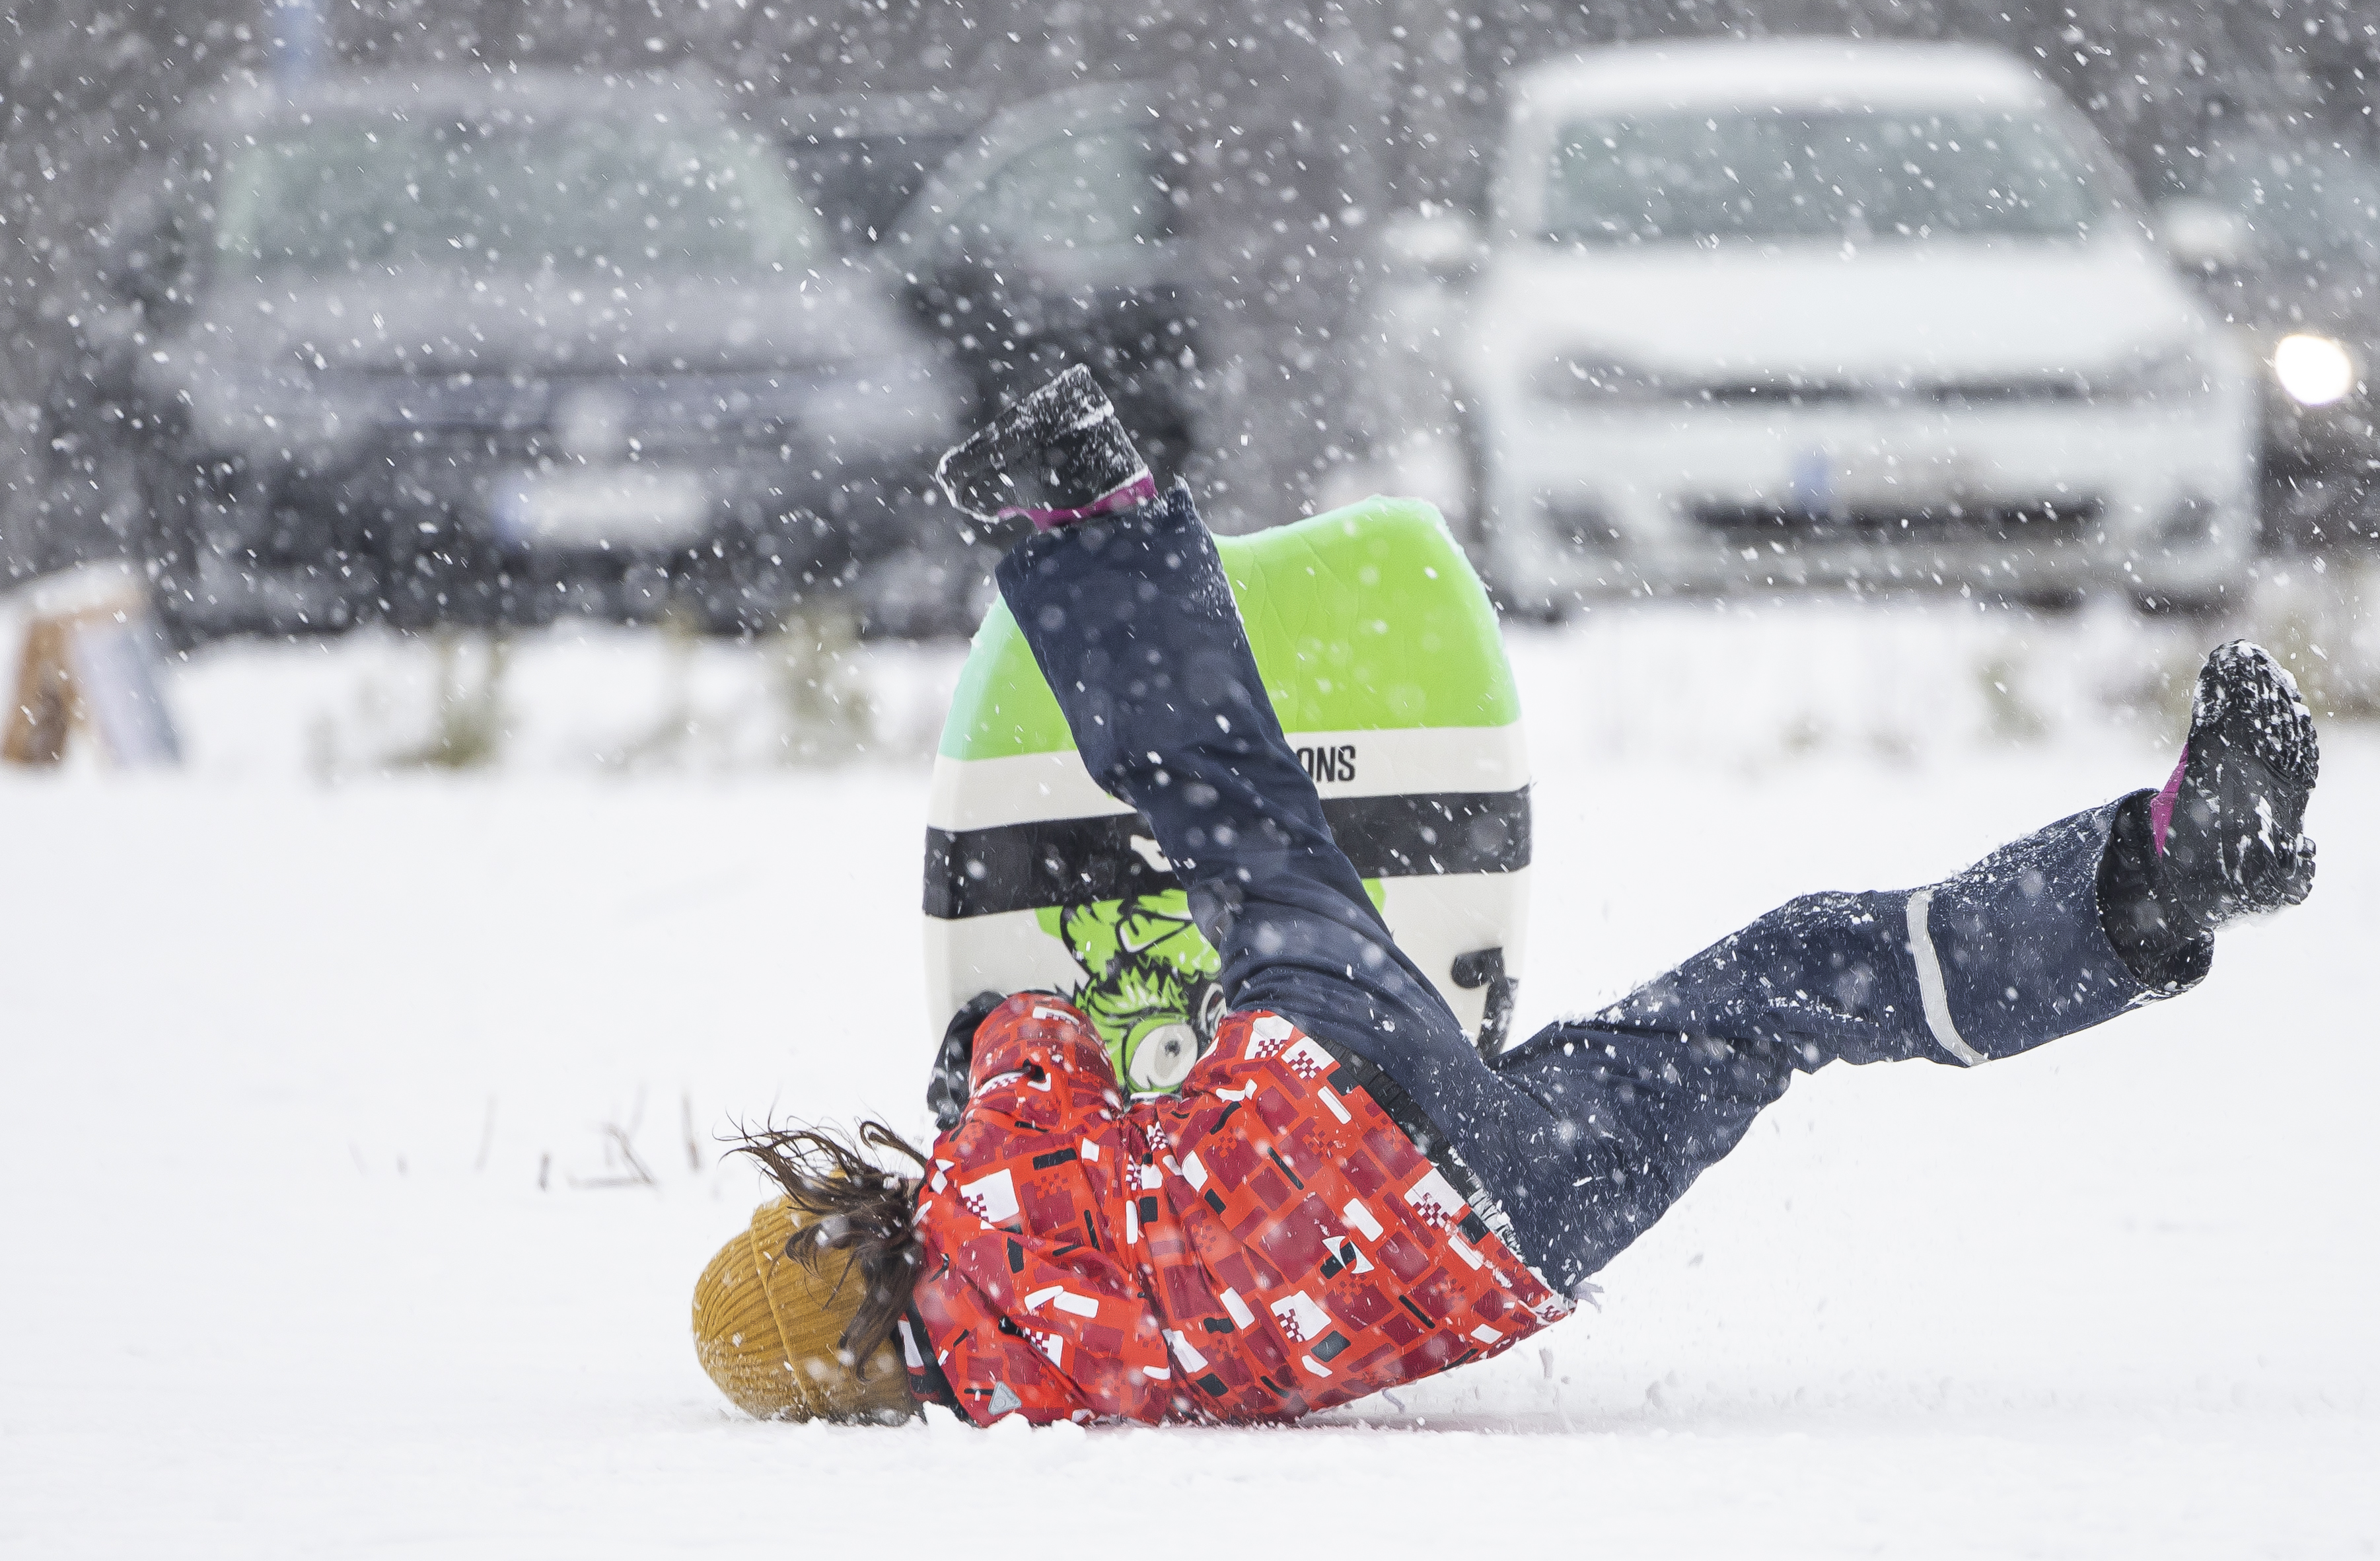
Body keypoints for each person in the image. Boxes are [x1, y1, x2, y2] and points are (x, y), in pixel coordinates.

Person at [690, 367, 2321, 1428]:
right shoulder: (977, 1207)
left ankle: (2156, 886)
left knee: (1777, 995)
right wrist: (982, 1042)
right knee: (1235, 816)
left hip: (1501, 1247)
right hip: (1321, 1087)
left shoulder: (1022, 1404)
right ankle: (1079, 517)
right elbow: (1032, 1032)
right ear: (837, 1243)